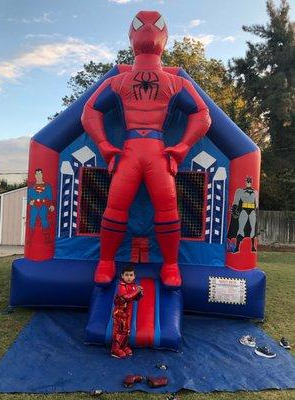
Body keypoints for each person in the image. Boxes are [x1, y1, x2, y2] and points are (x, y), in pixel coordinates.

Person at [81, 11, 211, 288]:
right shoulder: (125, 81)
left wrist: (183, 146)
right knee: (117, 206)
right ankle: (107, 262)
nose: (148, 30)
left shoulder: (168, 82)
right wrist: (104, 145)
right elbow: (89, 111)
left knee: (165, 208)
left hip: (151, 151)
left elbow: (203, 114)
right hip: (140, 150)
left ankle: (170, 265)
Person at [111, 265, 143, 358]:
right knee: (120, 331)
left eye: (131, 275)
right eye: (127, 275)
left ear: (134, 276)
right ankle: (115, 349)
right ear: (122, 276)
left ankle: (123, 347)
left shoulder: (133, 286)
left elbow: (135, 298)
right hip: (120, 313)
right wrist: (136, 292)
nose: (129, 277)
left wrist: (140, 293)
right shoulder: (121, 286)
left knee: (127, 331)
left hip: (127, 313)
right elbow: (125, 297)